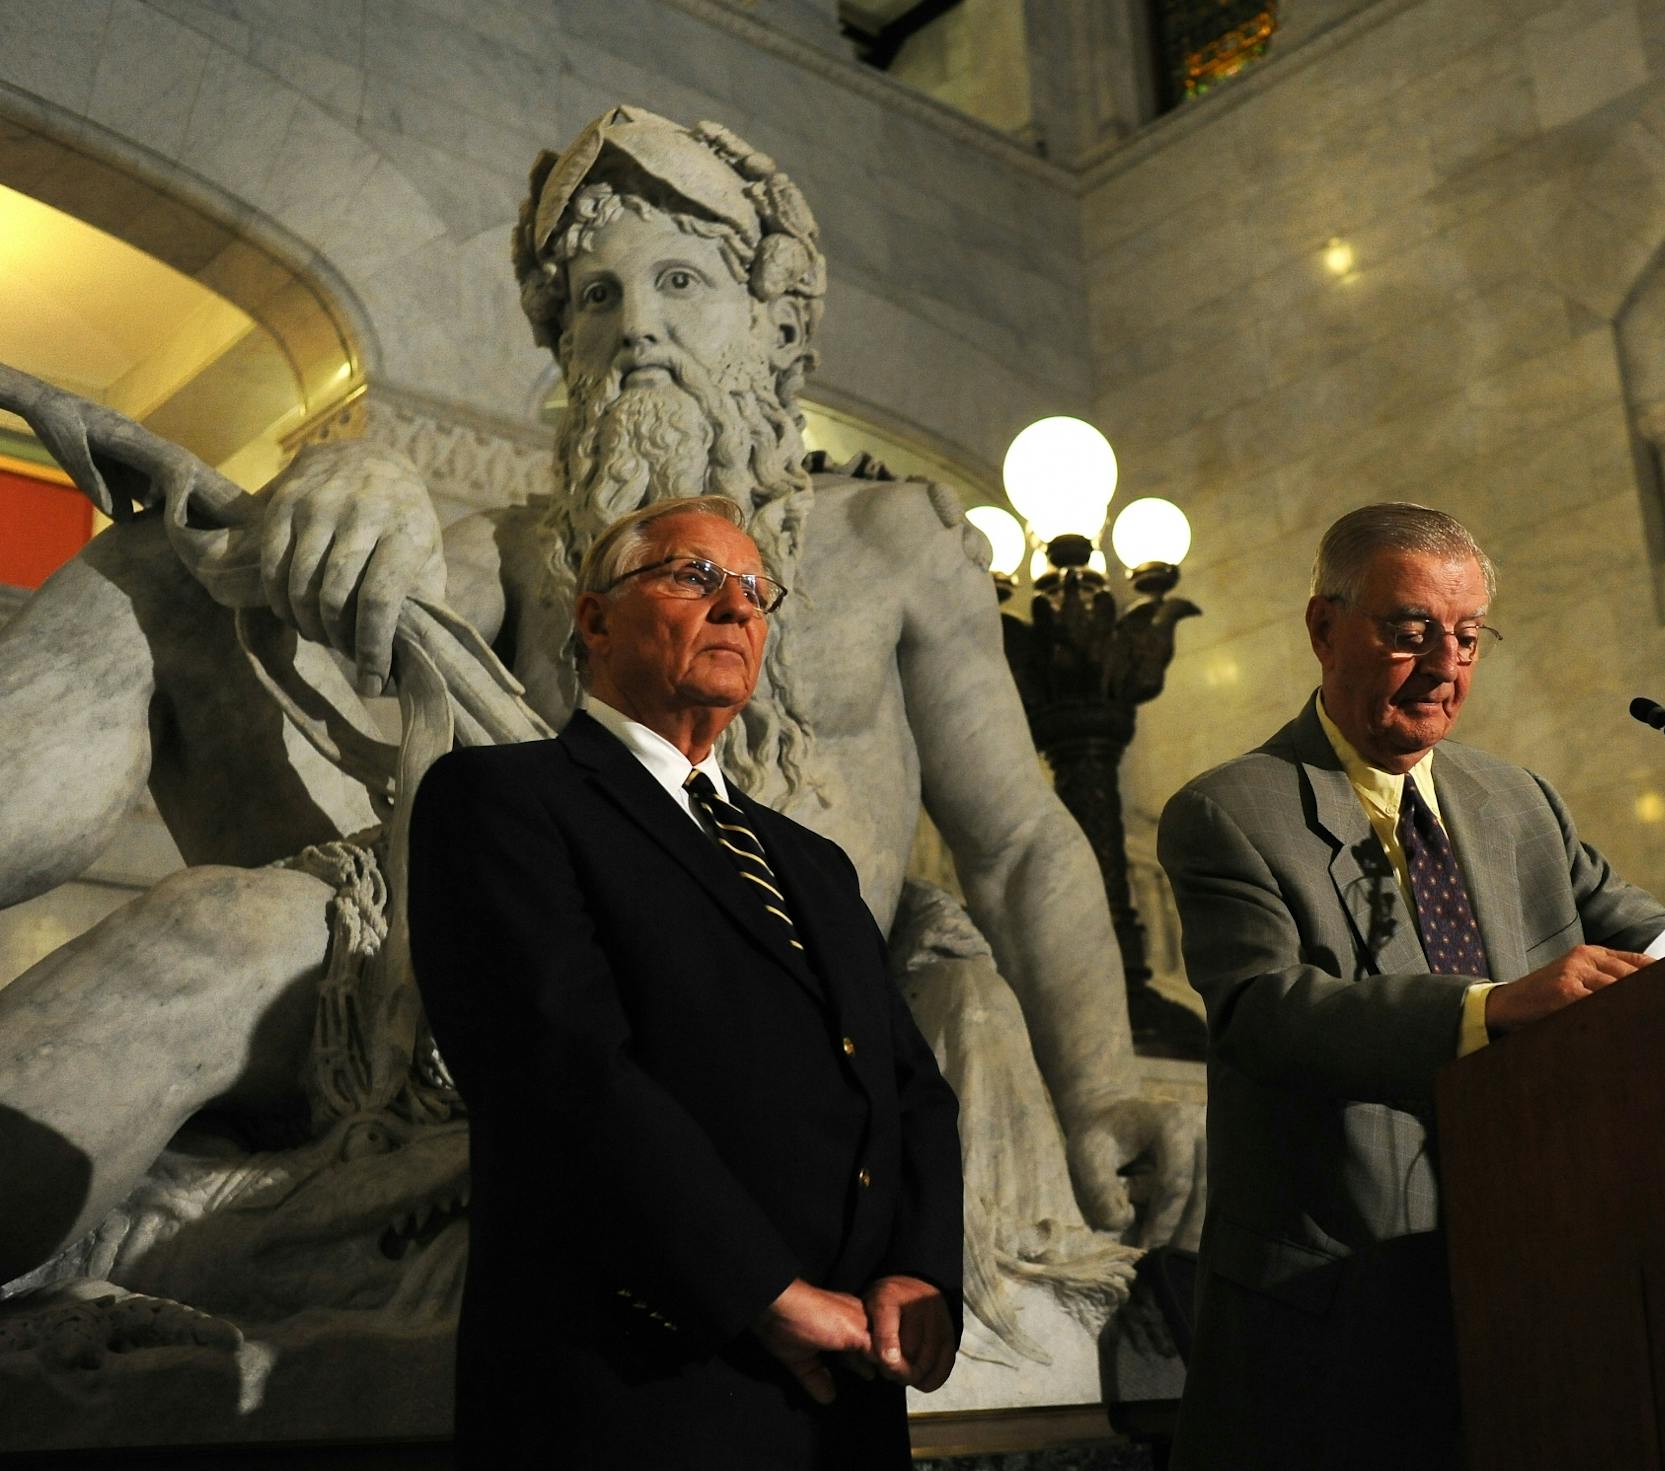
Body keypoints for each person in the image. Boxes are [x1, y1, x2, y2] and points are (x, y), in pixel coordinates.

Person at [0, 105, 1196, 1305]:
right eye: (595, 299)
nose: (637, 328)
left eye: (681, 280)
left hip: (733, 1000)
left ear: (776, 324)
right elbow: (331, 622)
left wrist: (1097, 1088)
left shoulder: (889, 547)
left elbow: (1020, 841)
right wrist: (349, 476)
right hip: (487, 968)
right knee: (166, 616)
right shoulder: (522, 554)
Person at [407, 493, 962, 1466]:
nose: (738, 607)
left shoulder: (814, 863)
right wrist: (766, 1294)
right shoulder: (503, 800)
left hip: (852, 1397)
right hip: (640, 1389)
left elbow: (908, 1088)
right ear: (594, 619)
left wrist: (921, 1275)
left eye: (755, 590)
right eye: (694, 576)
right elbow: (562, 1075)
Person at [1156, 503, 1665, 1470]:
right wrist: (1493, 1007)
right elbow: (1265, 1014)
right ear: (1324, 627)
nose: (1446, 667)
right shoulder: (1228, 811)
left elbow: (1652, 935)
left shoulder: (1517, 802)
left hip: (1536, 1283)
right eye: (1410, 633)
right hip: (1336, 1317)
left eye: (1469, 637)